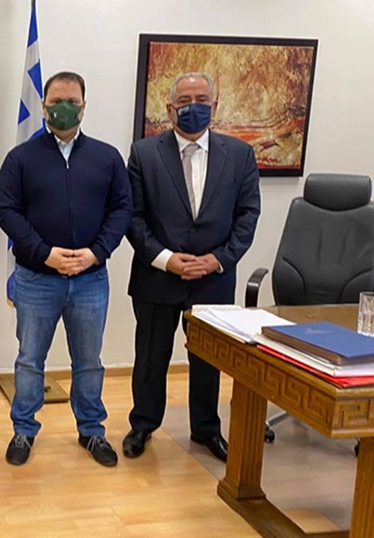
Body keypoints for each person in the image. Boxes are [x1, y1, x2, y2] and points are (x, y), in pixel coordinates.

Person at [0, 71, 132, 467]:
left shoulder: (107, 157)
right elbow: (7, 211)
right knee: (29, 359)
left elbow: (122, 208)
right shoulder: (21, 158)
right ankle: (23, 429)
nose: (64, 108)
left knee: (89, 361)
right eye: (56, 102)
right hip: (36, 278)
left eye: (72, 101)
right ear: (43, 106)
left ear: (84, 107)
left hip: (91, 279)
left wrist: (96, 253)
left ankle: (91, 430)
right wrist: (44, 253)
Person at [123, 72, 261, 462]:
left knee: (208, 361)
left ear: (215, 106)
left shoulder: (240, 155)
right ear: (169, 109)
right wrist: (167, 260)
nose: (193, 107)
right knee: (151, 358)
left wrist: (218, 260)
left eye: (202, 99)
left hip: (212, 280)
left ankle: (206, 429)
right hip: (157, 277)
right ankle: (143, 424)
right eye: (184, 100)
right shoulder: (143, 154)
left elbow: (248, 216)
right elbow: (132, 217)